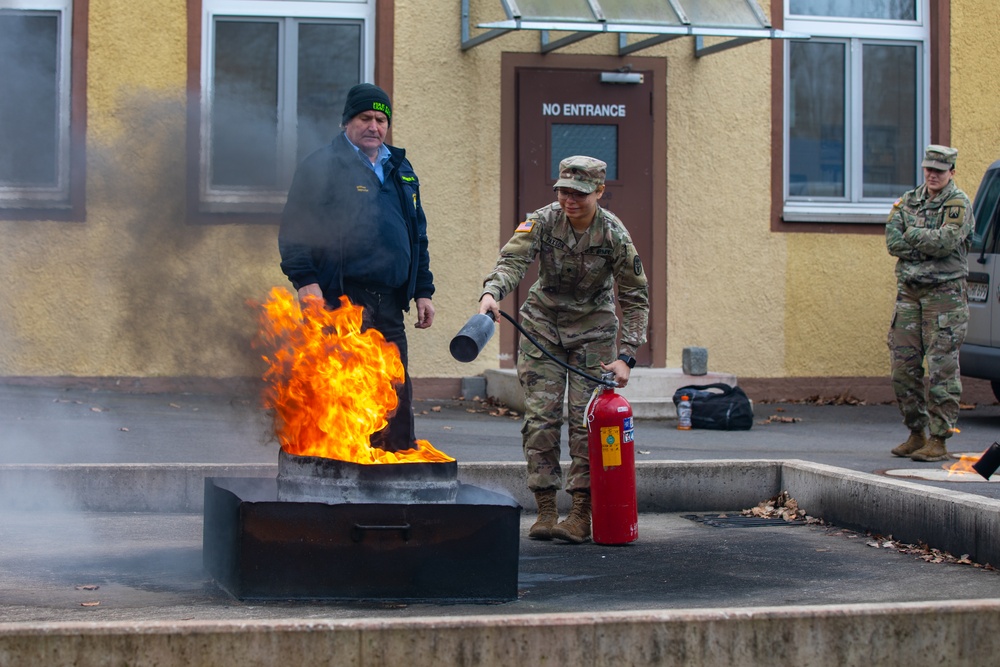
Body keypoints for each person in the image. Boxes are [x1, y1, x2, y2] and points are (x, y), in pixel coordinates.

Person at [477, 156, 649, 543]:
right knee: (541, 418)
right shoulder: (541, 221)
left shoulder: (614, 236)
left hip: (593, 332)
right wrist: (492, 293)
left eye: (579, 194)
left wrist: (627, 355)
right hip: (543, 325)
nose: (569, 200)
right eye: (563, 192)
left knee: (584, 423)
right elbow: (513, 261)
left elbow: (636, 296)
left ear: (600, 192)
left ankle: (581, 513)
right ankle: (546, 509)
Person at [278, 83, 435, 452]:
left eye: (382, 120)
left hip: (390, 303)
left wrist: (423, 290)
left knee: (394, 389)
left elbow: (417, 234)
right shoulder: (321, 165)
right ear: (347, 121)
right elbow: (295, 229)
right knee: (341, 391)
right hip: (341, 301)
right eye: (365, 118)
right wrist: (306, 282)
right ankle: (340, 470)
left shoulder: (401, 168)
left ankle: (395, 470)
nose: (374, 127)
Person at [885, 144, 974, 462]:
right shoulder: (909, 201)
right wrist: (922, 238)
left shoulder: (958, 203)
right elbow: (892, 240)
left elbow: (946, 242)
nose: (932, 175)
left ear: (951, 172)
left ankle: (939, 439)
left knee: (941, 370)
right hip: (909, 293)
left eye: (939, 170)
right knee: (903, 369)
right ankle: (915, 433)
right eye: (928, 169)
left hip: (944, 297)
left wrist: (912, 235)